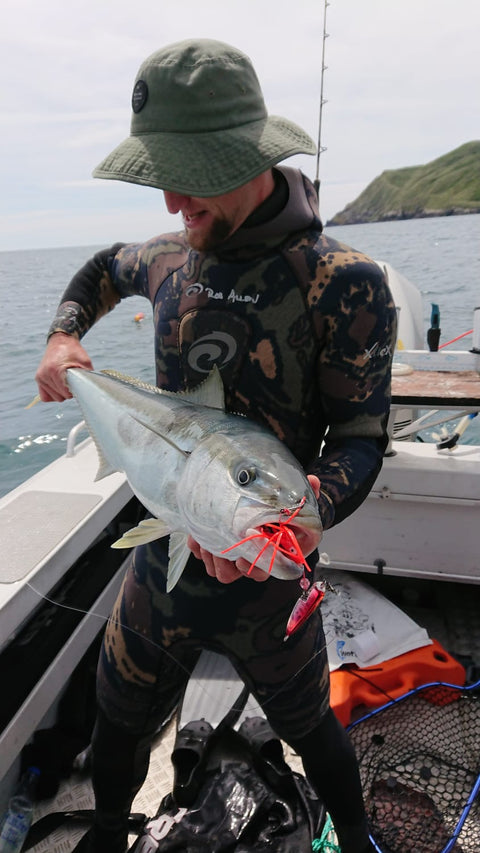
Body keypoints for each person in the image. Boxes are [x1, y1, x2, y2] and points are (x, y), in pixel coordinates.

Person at [36, 39, 397, 853]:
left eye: (187, 173)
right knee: (116, 711)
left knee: (313, 727)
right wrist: (63, 339)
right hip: (164, 555)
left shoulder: (342, 281)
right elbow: (99, 269)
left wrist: (309, 514)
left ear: (243, 155)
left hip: (268, 574)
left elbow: (364, 437)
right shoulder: (169, 259)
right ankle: (105, 830)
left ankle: (362, 836)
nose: (169, 202)